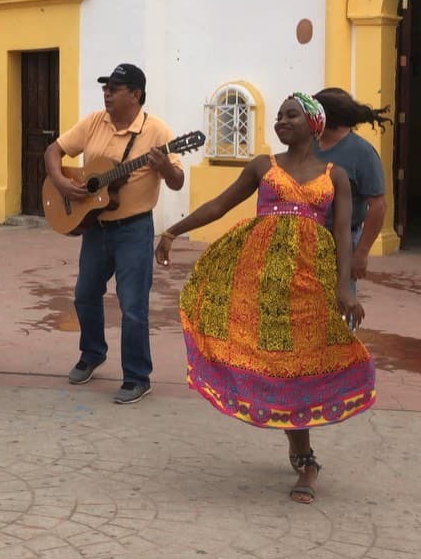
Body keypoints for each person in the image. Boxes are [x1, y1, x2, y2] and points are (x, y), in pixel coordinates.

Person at [155, 93, 375, 504]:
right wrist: (172, 230)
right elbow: (220, 205)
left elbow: (343, 234)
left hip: (310, 281)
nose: (281, 120)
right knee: (275, 361)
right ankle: (303, 457)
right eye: (278, 115)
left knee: (300, 364)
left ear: (314, 123)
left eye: (290, 114)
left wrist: (345, 287)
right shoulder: (262, 166)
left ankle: (304, 458)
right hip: (261, 281)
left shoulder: (336, 175)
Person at [44, 63, 185, 404]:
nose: (107, 93)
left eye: (115, 88)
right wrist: (62, 182)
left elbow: (177, 180)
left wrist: (164, 166)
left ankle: (137, 377)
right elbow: (54, 151)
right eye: (105, 87)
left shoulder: (157, 131)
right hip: (96, 226)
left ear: (135, 94)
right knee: (84, 294)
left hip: (134, 229)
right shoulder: (94, 121)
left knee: (133, 305)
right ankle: (92, 353)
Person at [313, 87, 389, 284]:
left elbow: (378, 206)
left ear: (329, 117)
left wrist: (361, 253)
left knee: (340, 303)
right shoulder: (308, 145)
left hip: (341, 239)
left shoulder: (362, 153)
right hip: (307, 236)